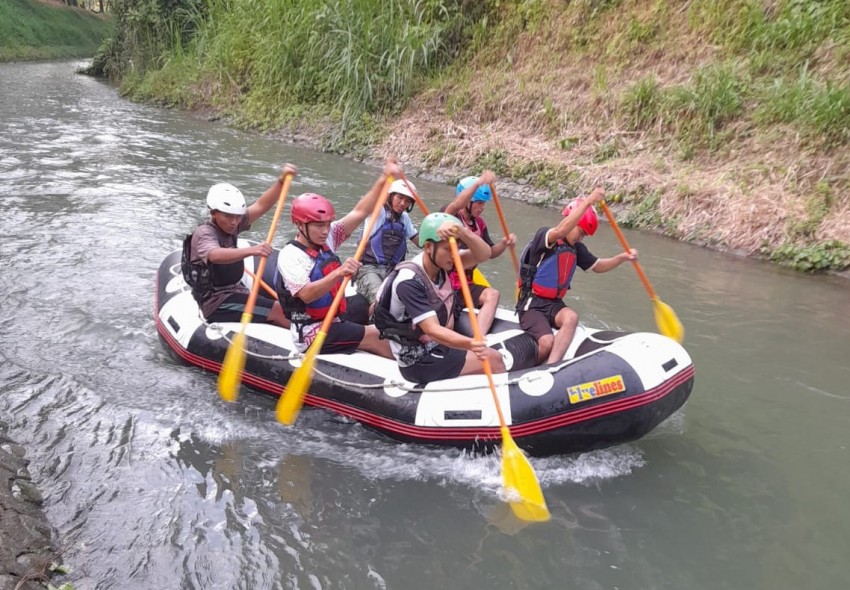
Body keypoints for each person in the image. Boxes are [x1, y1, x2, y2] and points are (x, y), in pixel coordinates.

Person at [275, 160, 403, 357]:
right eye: (319, 226)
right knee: (376, 335)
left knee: (367, 305)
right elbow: (306, 294)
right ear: (300, 225)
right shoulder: (291, 255)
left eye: (328, 224)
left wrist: (384, 179)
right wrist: (339, 273)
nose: (325, 231)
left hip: (334, 318)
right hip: (311, 332)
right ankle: (404, 363)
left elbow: (360, 211)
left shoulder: (327, 238)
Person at [374, 212, 506, 384]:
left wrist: (462, 232)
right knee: (494, 359)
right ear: (428, 247)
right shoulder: (409, 281)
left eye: (457, 248)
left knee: (488, 358)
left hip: (436, 346)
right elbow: (433, 330)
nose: (454, 255)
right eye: (448, 249)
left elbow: (484, 254)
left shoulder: (443, 263)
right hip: (417, 361)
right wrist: (471, 343)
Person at [516, 187, 637, 365]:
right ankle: (527, 368)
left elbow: (598, 266)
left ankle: (551, 367)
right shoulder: (545, 236)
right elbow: (560, 231)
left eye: (584, 236)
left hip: (554, 304)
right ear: (571, 220)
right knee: (546, 341)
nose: (581, 238)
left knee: (571, 317)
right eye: (581, 232)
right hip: (531, 304)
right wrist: (588, 201)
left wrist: (622, 258)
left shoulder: (576, 249)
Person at [183, 165, 296, 328]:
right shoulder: (204, 233)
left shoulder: (232, 224)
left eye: (237, 217)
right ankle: (306, 342)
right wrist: (253, 250)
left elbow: (261, 205)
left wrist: (281, 181)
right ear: (213, 213)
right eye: (228, 216)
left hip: (235, 291)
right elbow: (214, 255)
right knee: (278, 310)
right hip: (216, 302)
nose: (234, 222)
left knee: (285, 307)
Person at [442, 171, 516, 335]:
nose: (482, 208)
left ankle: (478, 339)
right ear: (468, 201)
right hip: (445, 282)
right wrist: (478, 183)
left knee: (493, 295)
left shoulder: (480, 224)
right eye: (479, 203)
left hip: (465, 282)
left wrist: (504, 243)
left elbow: (490, 253)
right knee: (448, 325)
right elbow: (456, 204)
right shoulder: (451, 216)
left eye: (484, 203)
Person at [353, 178, 419, 304]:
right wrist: (386, 179)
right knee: (380, 299)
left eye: (407, 201)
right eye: (399, 197)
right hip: (369, 268)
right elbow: (368, 203)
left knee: (405, 300)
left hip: (392, 271)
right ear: (390, 196)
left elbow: (419, 242)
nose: (402, 203)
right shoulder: (378, 211)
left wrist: (434, 241)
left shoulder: (404, 218)